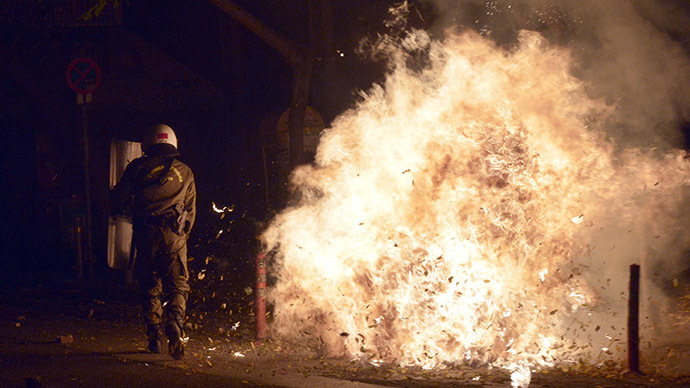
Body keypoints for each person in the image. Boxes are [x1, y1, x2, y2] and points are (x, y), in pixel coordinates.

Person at [111, 124, 196, 360]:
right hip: (173, 236)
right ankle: (175, 325)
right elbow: (190, 213)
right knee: (178, 285)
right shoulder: (185, 171)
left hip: (145, 234)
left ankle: (154, 336)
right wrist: (181, 236)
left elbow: (118, 200)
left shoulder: (137, 168)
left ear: (148, 144)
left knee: (150, 285)